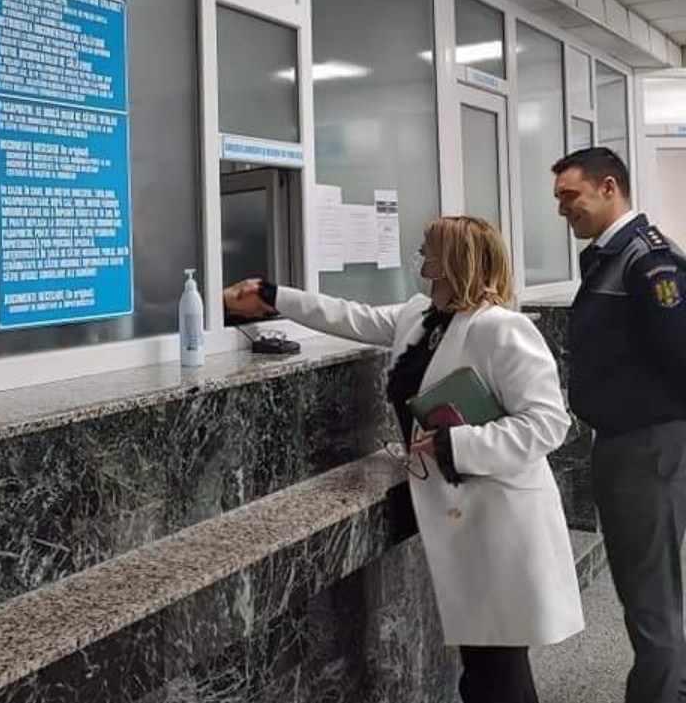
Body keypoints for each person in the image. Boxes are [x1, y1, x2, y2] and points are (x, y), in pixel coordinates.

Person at [224, 215, 583, 703]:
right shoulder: (420, 316)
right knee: (482, 663)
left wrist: (458, 444)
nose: (420, 258)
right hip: (459, 512)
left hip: (499, 514)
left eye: (428, 250)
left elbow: (548, 423)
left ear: (453, 261)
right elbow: (348, 316)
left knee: (499, 668)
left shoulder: (501, 328)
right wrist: (273, 295)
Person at [551, 147, 686, 703]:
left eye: (570, 196)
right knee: (650, 591)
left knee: (650, 599)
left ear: (609, 187)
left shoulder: (646, 260)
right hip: (633, 442)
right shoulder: (611, 255)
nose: (562, 209)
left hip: (646, 446)